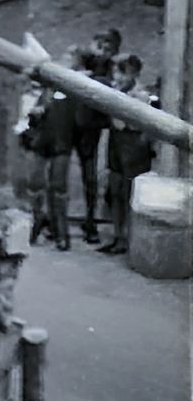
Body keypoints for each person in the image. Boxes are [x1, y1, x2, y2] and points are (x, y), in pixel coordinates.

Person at [101, 55, 157, 257]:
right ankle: (118, 237)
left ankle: (131, 239)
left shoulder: (141, 95)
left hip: (133, 146)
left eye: (122, 72)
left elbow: (143, 125)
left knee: (130, 194)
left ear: (133, 73)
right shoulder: (116, 91)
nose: (118, 76)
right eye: (116, 72)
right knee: (115, 191)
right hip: (116, 143)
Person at [19, 68, 81, 250]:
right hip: (39, 143)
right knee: (35, 186)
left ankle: (61, 233)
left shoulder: (65, 93)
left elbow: (71, 118)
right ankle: (35, 226)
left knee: (58, 189)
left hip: (60, 144)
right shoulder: (32, 93)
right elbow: (22, 120)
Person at [72, 28, 121, 244]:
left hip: (94, 127)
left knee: (92, 176)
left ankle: (91, 220)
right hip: (74, 122)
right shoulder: (84, 58)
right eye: (100, 42)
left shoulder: (113, 67)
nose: (103, 48)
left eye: (108, 44)